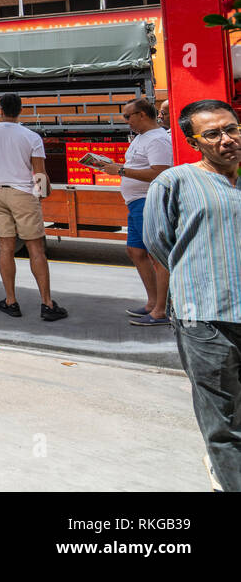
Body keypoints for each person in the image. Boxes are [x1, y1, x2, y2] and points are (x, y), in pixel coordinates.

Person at [142, 99, 241, 492]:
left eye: (231, 128)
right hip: (204, 317)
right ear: (193, 141)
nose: (226, 140)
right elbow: (158, 242)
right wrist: (199, 275)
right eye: (212, 134)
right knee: (223, 419)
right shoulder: (175, 181)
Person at [0, 92, 67, 321]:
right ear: (20, 110)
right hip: (23, 193)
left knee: (5, 247)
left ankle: (11, 301)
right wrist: (40, 195)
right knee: (35, 249)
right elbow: (40, 173)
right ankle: (47, 304)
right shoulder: (31, 136)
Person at [94, 98, 172, 326]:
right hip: (137, 202)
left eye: (128, 116)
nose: (125, 121)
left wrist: (119, 170)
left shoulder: (158, 139)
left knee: (156, 256)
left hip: (149, 201)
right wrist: (114, 167)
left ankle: (161, 310)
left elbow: (160, 172)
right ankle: (153, 303)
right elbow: (139, 167)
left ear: (143, 115)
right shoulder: (142, 138)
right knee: (135, 251)